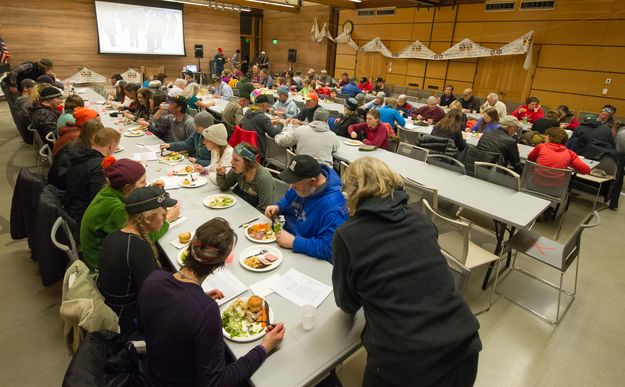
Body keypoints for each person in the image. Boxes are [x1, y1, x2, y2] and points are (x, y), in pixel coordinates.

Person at [333, 157, 482, 387]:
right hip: (462, 344)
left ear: (352, 191)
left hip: (405, 362)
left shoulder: (347, 236)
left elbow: (347, 303)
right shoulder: (422, 221)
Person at [138, 217, 285, 386]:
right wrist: (264, 347)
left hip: (152, 373)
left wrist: (194, 301)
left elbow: (146, 328)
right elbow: (216, 382)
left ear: (191, 247)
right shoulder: (206, 311)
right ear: (220, 263)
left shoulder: (154, 278)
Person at [98, 186, 176, 335]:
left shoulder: (115, 235)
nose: (167, 214)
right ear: (147, 218)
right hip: (126, 324)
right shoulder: (138, 249)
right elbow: (156, 298)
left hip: (111, 306)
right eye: (163, 211)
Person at [80, 158, 180, 271]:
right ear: (127, 187)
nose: (146, 184)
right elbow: (142, 236)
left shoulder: (111, 191)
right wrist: (168, 219)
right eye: (142, 182)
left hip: (108, 255)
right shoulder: (116, 209)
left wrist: (150, 193)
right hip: (101, 269)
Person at [265, 155, 347, 261]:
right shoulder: (304, 185)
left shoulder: (334, 208)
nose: (293, 188)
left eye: (295, 186)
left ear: (312, 181)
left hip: (302, 253)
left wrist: (294, 242)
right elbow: (288, 198)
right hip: (283, 238)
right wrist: (278, 206)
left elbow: (330, 249)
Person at [62, 127, 121, 224]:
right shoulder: (99, 167)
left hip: (71, 205)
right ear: (111, 146)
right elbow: (99, 201)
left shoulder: (82, 154)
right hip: (84, 218)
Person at [216, 142, 275, 210]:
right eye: (232, 158)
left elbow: (265, 210)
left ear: (248, 163)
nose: (231, 162)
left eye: (236, 160)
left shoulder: (263, 179)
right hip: (242, 205)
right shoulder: (238, 170)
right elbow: (224, 186)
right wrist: (220, 175)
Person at [48, 119, 104, 190]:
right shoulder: (80, 150)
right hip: (64, 188)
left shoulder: (78, 142)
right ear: (93, 135)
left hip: (58, 182)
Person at [275, 108, 340, 167]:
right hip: (323, 174)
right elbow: (335, 149)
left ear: (314, 118)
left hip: (302, 169)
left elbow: (282, 141)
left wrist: (277, 134)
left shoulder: (300, 130)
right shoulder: (333, 136)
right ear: (327, 120)